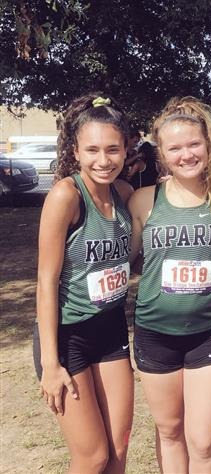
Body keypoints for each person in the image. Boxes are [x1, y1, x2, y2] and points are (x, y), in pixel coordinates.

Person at [128, 96, 211, 473]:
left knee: (203, 440)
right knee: (170, 431)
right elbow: (120, 256)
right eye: (174, 148)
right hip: (154, 332)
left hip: (210, 332)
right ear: (162, 154)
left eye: (194, 144)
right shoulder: (145, 200)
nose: (186, 155)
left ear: (208, 145)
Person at [33, 93, 134, 473]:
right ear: (75, 151)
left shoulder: (125, 194)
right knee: (92, 457)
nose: (103, 160)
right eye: (92, 150)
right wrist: (50, 363)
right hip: (66, 335)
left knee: (118, 450)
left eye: (113, 149)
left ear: (126, 149)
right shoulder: (66, 196)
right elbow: (46, 281)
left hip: (110, 330)